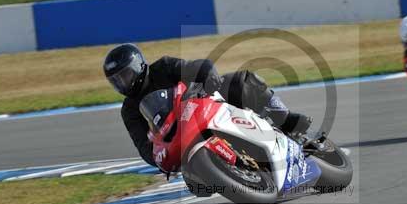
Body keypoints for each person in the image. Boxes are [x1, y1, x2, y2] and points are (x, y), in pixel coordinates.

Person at [103, 43, 312, 166]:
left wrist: (208, 76)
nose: (123, 83)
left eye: (125, 75)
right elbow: (143, 146)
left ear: (139, 65)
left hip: (202, 105)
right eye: (117, 81)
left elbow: (197, 66)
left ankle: (285, 120)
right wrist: (158, 159)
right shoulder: (129, 110)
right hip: (178, 139)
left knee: (244, 81)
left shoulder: (163, 67)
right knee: (194, 185)